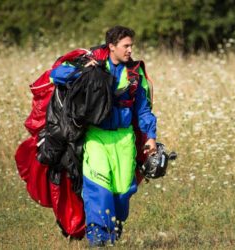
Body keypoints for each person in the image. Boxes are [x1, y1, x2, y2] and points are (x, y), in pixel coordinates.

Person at [49, 25, 157, 246]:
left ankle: (113, 232)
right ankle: (98, 239)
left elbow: (143, 109)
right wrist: (81, 72)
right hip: (96, 136)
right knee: (99, 187)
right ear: (112, 47)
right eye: (125, 46)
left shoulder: (135, 74)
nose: (129, 50)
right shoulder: (92, 61)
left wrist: (150, 136)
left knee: (122, 191)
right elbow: (56, 73)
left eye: (131, 46)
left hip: (124, 138)